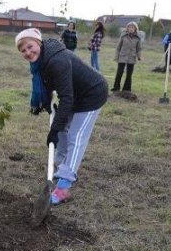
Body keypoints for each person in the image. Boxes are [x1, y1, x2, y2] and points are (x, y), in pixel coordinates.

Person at [15, 28, 108, 205]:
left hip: (92, 94)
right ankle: (63, 165)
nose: (28, 52)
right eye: (23, 50)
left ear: (39, 43)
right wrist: (47, 104)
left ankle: (63, 186)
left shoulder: (57, 60)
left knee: (76, 136)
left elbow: (66, 98)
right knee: (63, 131)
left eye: (30, 46)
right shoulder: (40, 62)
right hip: (75, 94)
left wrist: (54, 129)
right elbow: (49, 84)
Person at [111, 22, 142, 93]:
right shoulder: (123, 36)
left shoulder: (138, 38)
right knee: (119, 73)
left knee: (129, 75)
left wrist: (139, 56)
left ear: (135, 29)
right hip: (122, 57)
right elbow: (118, 47)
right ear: (127, 28)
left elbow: (139, 49)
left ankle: (126, 89)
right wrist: (116, 57)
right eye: (129, 27)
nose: (131, 29)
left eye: (132, 27)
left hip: (132, 58)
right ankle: (116, 88)